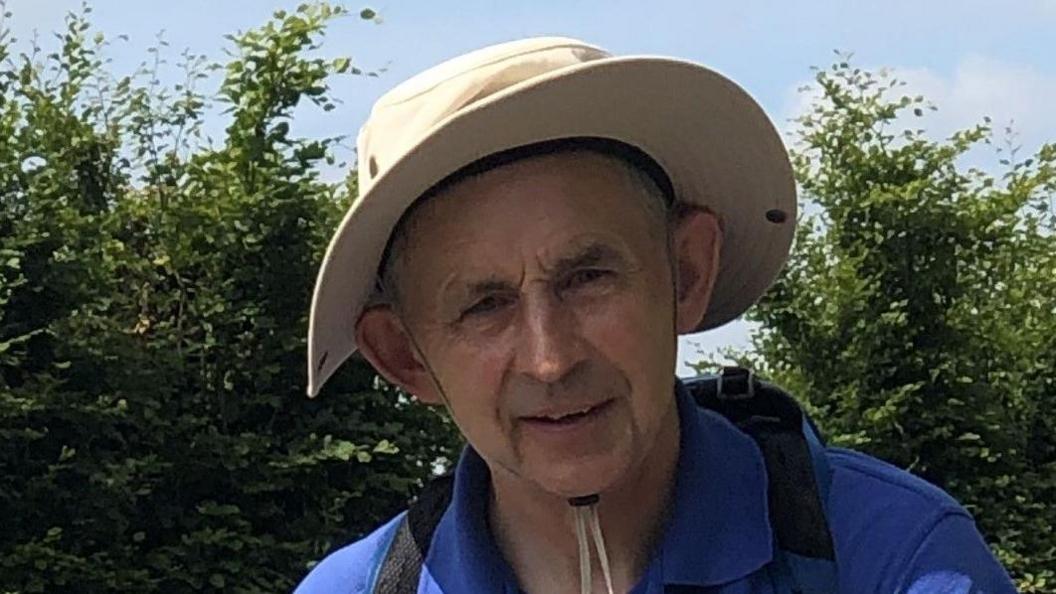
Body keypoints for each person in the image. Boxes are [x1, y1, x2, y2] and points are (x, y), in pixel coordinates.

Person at [295, 37, 1017, 594]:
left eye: (587, 277)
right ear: (404, 356)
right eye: (484, 305)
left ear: (687, 273)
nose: (551, 358)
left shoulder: (894, 558)